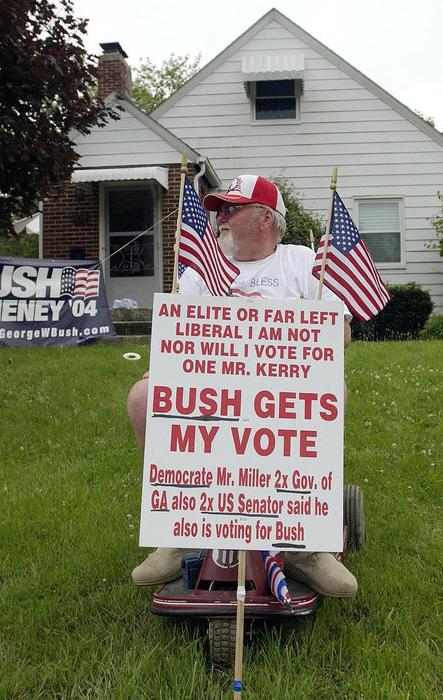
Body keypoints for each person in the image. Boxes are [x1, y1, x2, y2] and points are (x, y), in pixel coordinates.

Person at [127, 174, 358, 598]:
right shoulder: (204, 269)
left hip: (283, 388)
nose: (221, 217)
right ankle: (181, 532)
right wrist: (159, 367)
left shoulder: (302, 262)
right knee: (143, 398)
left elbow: (340, 333)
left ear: (265, 218)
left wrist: (269, 320)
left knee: (333, 394)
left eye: (232, 208)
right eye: (219, 209)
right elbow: (177, 333)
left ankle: (303, 545)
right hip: (212, 387)